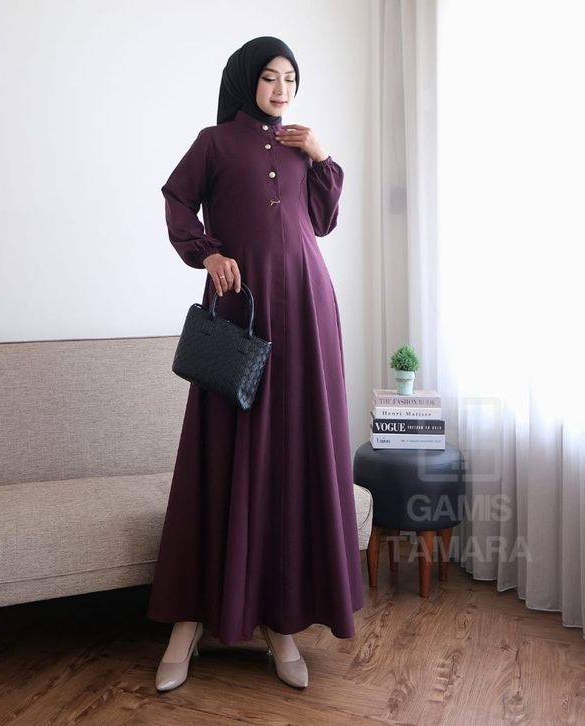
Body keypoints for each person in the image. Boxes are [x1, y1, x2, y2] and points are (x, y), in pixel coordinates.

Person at [147, 36, 363, 692]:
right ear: (247, 81)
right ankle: (188, 623)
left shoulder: (300, 147)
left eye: (290, 78)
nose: (281, 88)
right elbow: (177, 200)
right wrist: (209, 253)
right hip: (241, 311)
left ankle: (282, 623)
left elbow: (321, 221)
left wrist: (322, 156)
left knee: (292, 456)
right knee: (222, 454)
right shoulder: (214, 142)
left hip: (307, 309)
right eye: (270, 77)